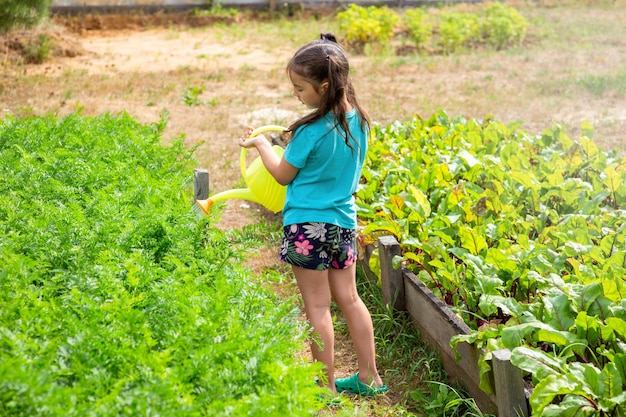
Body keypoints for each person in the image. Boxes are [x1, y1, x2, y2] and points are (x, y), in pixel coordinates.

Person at [238, 32, 387, 398]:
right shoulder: (360, 121)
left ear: (324, 85)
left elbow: (282, 174)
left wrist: (261, 144)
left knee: (317, 307)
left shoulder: (309, 130)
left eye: (300, 88)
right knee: (350, 299)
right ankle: (370, 378)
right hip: (344, 224)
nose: (296, 95)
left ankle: (325, 387)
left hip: (307, 226)